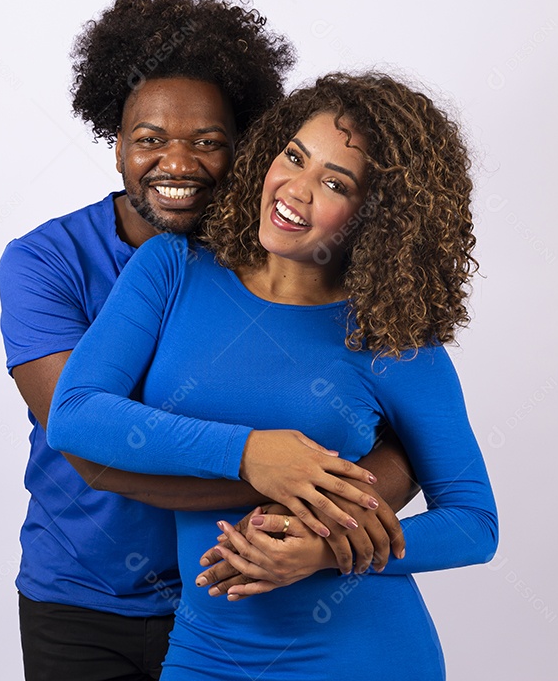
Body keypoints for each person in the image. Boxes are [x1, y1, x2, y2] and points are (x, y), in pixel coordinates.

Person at [0, 0, 416, 681]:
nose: (178, 164)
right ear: (117, 144)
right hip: (82, 600)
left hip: (248, 602)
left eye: (208, 142)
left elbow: (400, 439)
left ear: (246, 145)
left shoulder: (296, 261)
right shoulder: (45, 261)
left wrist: (318, 519)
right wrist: (277, 474)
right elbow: (91, 451)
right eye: (150, 140)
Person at [47, 72, 499, 680]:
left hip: (361, 657)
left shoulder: (391, 337)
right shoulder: (173, 267)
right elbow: (75, 414)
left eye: (335, 183)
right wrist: (250, 454)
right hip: (206, 651)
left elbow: (474, 523)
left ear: (377, 216)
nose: (296, 190)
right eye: (294, 157)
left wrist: (328, 554)